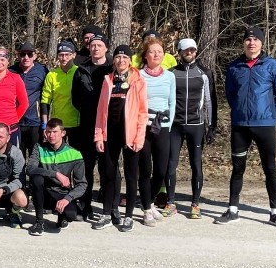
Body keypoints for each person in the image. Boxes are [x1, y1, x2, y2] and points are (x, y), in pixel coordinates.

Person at [217, 26, 276, 228]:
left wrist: (269, 112)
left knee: (270, 168)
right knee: (238, 168)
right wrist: (240, 111)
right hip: (240, 125)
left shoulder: (272, 65)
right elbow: (231, 95)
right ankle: (233, 210)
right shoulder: (234, 67)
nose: (251, 43)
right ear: (243, 43)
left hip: (264, 125)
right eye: (248, 39)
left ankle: (275, 212)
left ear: (261, 43)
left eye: (255, 40)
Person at [93, 45, 148, 231]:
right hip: (110, 136)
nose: (121, 60)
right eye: (118, 57)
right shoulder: (108, 80)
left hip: (131, 136)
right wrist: (99, 136)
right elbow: (101, 111)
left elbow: (142, 112)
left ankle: (129, 216)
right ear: (113, 60)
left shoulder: (137, 81)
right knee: (108, 175)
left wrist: (139, 138)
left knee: (132, 177)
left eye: (125, 57)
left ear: (130, 61)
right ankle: (107, 213)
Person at [167, 38, 217, 219]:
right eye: (186, 50)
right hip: (175, 126)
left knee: (196, 164)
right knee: (171, 164)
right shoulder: (171, 73)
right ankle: (170, 202)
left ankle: (195, 204)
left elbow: (210, 101)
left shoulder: (204, 73)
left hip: (196, 125)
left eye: (192, 50)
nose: (190, 53)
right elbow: (166, 99)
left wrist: (211, 126)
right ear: (179, 52)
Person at [71, 32, 112, 221]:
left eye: (99, 45)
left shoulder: (113, 67)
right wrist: (89, 111)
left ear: (105, 48)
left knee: (108, 168)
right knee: (86, 168)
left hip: (109, 125)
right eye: (93, 45)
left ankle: (109, 208)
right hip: (87, 125)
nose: (95, 48)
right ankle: (84, 205)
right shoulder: (81, 69)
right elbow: (75, 98)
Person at [136, 36, 176, 227]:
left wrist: (169, 123)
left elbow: (172, 102)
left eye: (159, 51)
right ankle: (145, 209)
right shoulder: (138, 75)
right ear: (145, 55)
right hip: (143, 127)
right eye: (152, 51)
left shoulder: (170, 76)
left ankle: (150, 202)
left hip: (163, 127)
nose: (156, 54)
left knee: (161, 170)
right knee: (145, 170)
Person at [26, 119, 87, 236]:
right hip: (44, 192)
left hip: (62, 193)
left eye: (54, 132)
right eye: (48, 132)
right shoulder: (39, 147)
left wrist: (67, 199)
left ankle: (61, 218)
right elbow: (29, 169)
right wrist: (55, 174)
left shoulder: (75, 153)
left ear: (63, 133)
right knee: (37, 178)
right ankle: (39, 222)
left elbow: (82, 184)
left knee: (71, 214)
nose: (51, 135)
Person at [10, 41, 47, 158]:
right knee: (17, 157)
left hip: (34, 121)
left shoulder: (42, 71)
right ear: (18, 56)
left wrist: (45, 121)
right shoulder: (11, 71)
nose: (26, 57)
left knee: (35, 156)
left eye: (29, 54)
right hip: (16, 121)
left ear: (35, 56)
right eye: (22, 54)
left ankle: (34, 177)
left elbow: (47, 96)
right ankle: (18, 177)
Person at [40, 40, 81, 142]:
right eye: (61, 55)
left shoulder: (79, 72)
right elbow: (45, 101)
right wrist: (45, 124)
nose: (64, 58)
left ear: (74, 55)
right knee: (57, 155)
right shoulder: (52, 75)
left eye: (67, 55)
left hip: (76, 123)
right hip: (57, 124)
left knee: (75, 156)